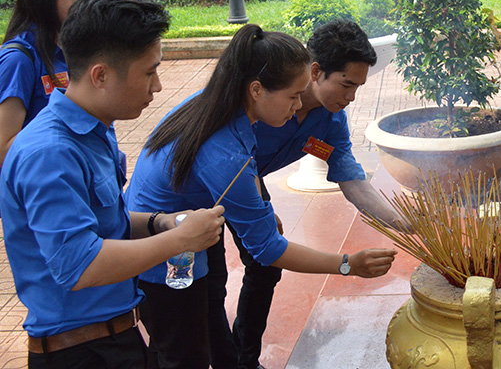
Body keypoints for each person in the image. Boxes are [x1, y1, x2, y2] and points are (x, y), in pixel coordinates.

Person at [126, 24, 396, 369]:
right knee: (183, 345)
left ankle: (238, 360)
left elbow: (255, 179)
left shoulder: (234, 115)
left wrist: (260, 210)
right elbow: (268, 247)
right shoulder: (227, 150)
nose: (298, 107)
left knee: (207, 301)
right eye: (293, 97)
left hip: (193, 218)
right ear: (257, 89)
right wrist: (348, 265)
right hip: (162, 240)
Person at [0, 0, 225, 368]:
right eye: (149, 72)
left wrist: (160, 222)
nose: (157, 87)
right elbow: (80, 264)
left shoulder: (94, 130)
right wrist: (179, 240)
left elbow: (105, 222)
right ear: (101, 75)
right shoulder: (50, 152)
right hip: (80, 352)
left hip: (116, 337)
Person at [206, 19, 406, 369]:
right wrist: (263, 211)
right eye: (346, 84)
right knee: (209, 282)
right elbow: (233, 154)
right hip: (209, 183)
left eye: (358, 87)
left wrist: (405, 222)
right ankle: (226, 358)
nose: (351, 97)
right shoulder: (263, 100)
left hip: (244, 178)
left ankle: (244, 356)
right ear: (316, 71)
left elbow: (353, 183)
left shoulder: (329, 122)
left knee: (264, 268)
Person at [0, 0, 93, 167]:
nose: (82, 1)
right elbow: (3, 148)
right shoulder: (18, 60)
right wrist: (70, 145)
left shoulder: (75, 50)